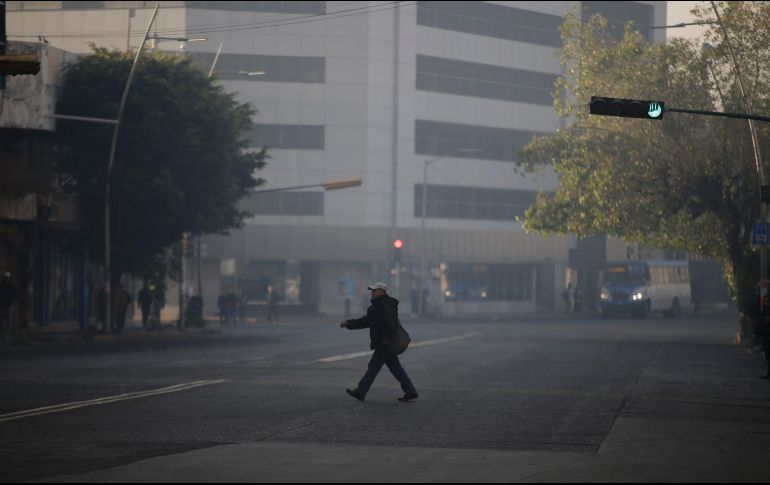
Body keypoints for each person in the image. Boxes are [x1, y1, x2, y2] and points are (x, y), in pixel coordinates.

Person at [340, 282, 418, 402]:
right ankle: (410, 391)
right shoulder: (375, 307)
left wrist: (386, 339)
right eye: (372, 291)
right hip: (385, 343)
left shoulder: (386, 305)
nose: (372, 293)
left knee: (373, 367)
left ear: (382, 291)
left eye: (375, 290)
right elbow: (365, 321)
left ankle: (361, 391)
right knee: (396, 369)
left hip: (385, 343)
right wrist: (349, 323)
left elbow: (390, 323)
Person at [0, 272, 19, 341]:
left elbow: (15, 295)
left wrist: (13, 302)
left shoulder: (6, 286)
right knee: (7, 320)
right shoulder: (10, 286)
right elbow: (16, 295)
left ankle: (5, 333)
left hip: (5, 305)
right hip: (7, 305)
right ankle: (6, 333)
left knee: (4, 320)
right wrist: (13, 302)